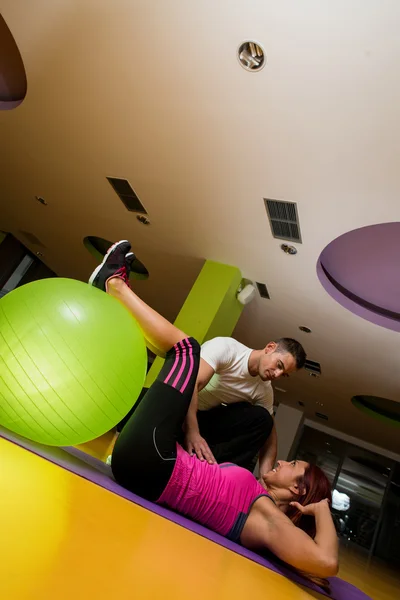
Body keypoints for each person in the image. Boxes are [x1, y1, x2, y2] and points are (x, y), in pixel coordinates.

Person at [89, 241, 338, 582]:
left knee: (185, 349)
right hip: (164, 445)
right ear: (268, 350)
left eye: (292, 466)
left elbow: (326, 564)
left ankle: (112, 284)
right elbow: (263, 433)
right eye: (278, 365)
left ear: (298, 490)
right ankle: (112, 295)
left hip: (153, 462)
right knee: (185, 365)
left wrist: (322, 507)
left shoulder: (268, 517)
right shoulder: (228, 349)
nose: (283, 461)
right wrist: (196, 435)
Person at [184, 335, 306, 473]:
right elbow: (190, 384)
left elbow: (270, 438)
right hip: (181, 406)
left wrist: (265, 478)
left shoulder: (264, 390)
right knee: (183, 387)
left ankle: (221, 471)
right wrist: (192, 432)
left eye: (283, 374)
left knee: (264, 419)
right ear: (270, 348)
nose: (277, 375)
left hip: (205, 421)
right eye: (279, 365)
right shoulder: (227, 349)